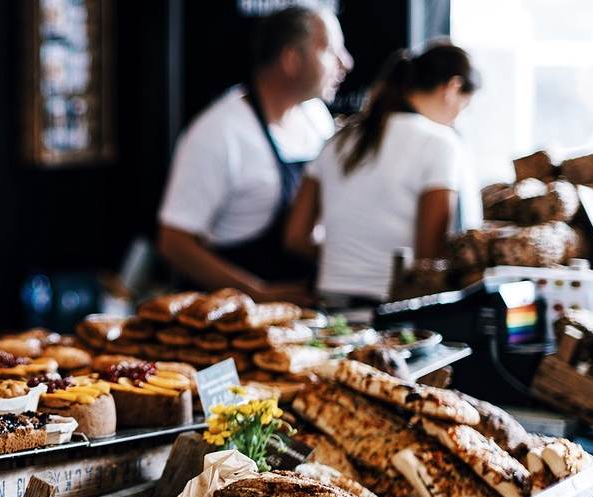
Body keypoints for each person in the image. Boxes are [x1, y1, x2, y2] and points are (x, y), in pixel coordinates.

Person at [158, 4, 352, 304]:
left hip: (307, 311)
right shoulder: (219, 133)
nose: (346, 62)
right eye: (330, 50)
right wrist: (257, 293)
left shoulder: (316, 117)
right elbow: (174, 243)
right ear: (291, 59)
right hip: (234, 317)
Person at [284, 42, 481, 304]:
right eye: (464, 108)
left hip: (330, 303)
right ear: (452, 88)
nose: (457, 118)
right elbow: (429, 258)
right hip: (394, 308)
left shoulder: (338, 140)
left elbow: (295, 237)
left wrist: (347, 260)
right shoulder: (441, 143)